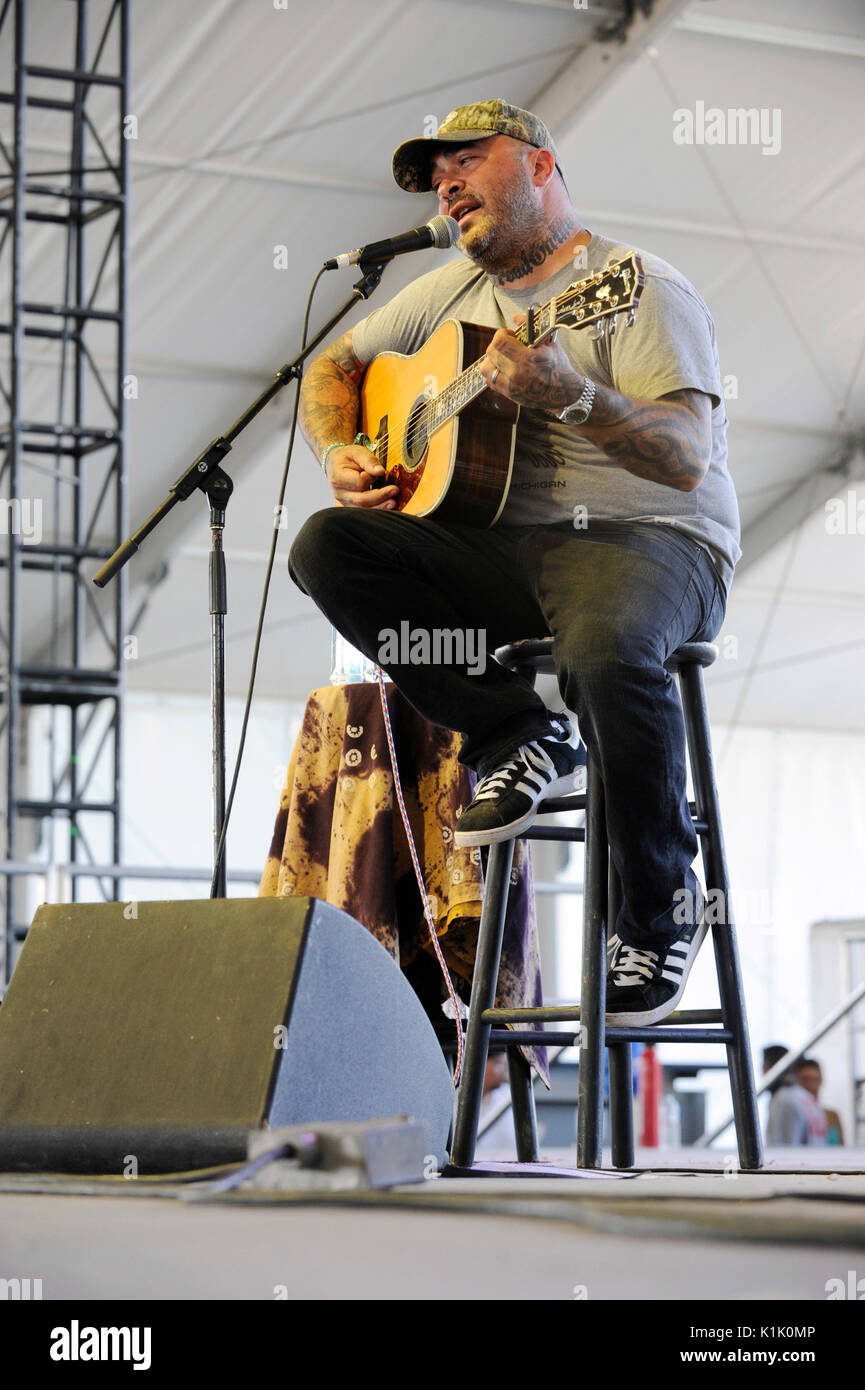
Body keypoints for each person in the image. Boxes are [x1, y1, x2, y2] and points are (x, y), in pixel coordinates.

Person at [290, 100, 739, 1028]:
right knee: (326, 545)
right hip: (506, 552)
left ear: (538, 167)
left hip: (650, 538)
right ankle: (512, 734)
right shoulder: (444, 292)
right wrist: (343, 449)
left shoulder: (634, 284)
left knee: (604, 647)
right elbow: (331, 366)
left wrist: (572, 394)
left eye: (467, 161)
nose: (447, 184)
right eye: (434, 176)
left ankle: (657, 911)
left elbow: (685, 457)